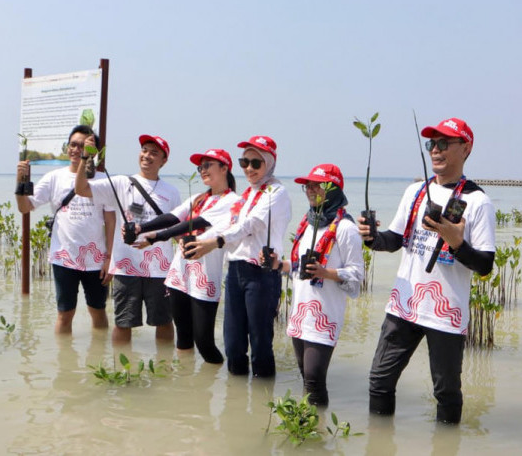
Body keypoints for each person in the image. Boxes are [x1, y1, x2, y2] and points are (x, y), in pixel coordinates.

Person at [360, 117, 495, 424]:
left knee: (446, 393)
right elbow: (394, 240)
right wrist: (372, 238)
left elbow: (485, 265)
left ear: (466, 149)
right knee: (379, 381)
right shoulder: (415, 192)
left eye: (444, 143)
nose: (436, 150)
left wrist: (457, 243)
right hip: (404, 304)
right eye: (431, 144)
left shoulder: (477, 201)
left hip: (445, 314)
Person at [186, 135, 291, 377]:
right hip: (235, 272)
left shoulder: (276, 192)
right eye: (245, 162)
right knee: (232, 343)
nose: (249, 169)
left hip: (261, 274)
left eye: (257, 163)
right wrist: (199, 240)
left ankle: (261, 404)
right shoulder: (247, 195)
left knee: (260, 343)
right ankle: (236, 405)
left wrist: (215, 242)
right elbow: (228, 224)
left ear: (270, 163)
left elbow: (250, 224)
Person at [266, 163, 363, 406]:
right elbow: (299, 268)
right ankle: (308, 428)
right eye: (307, 186)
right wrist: (279, 265)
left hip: (324, 314)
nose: (309, 190)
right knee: (305, 376)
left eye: (316, 185)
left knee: (314, 378)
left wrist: (325, 272)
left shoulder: (346, 228)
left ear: (333, 190)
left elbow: (356, 276)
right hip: (301, 312)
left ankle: (316, 437)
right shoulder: (308, 223)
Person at [131, 149, 239, 364]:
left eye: (208, 165)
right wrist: (141, 227)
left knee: (205, 342)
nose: (203, 171)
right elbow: (172, 217)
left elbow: (196, 223)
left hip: (205, 277)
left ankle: (213, 386)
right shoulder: (199, 198)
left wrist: (155, 238)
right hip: (180, 274)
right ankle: (185, 383)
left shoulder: (233, 201)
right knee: (183, 337)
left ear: (225, 168)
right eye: (201, 167)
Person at [75, 134, 180, 345]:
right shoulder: (121, 183)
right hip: (126, 267)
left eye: (154, 153)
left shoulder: (172, 191)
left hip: (160, 269)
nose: (147, 156)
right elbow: (81, 189)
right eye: (144, 150)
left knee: (165, 321)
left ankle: (166, 369)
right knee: (123, 322)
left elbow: (177, 229)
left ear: (164, 160)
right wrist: (85, 158)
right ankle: (122, 370)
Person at [15, 125, 116, 334]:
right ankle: (64, 365)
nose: (76, 150)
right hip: (63, 258)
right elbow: (25, 207)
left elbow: (111, 220)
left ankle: (98, 358)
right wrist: (20, 182)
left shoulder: (103, 181)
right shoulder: (54, 178)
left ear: (93, 151)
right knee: (64, 314)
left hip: (96, 260)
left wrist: (110, 258)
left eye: (83, 146)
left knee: (98, 311)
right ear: (66, 147)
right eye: (73, 145)